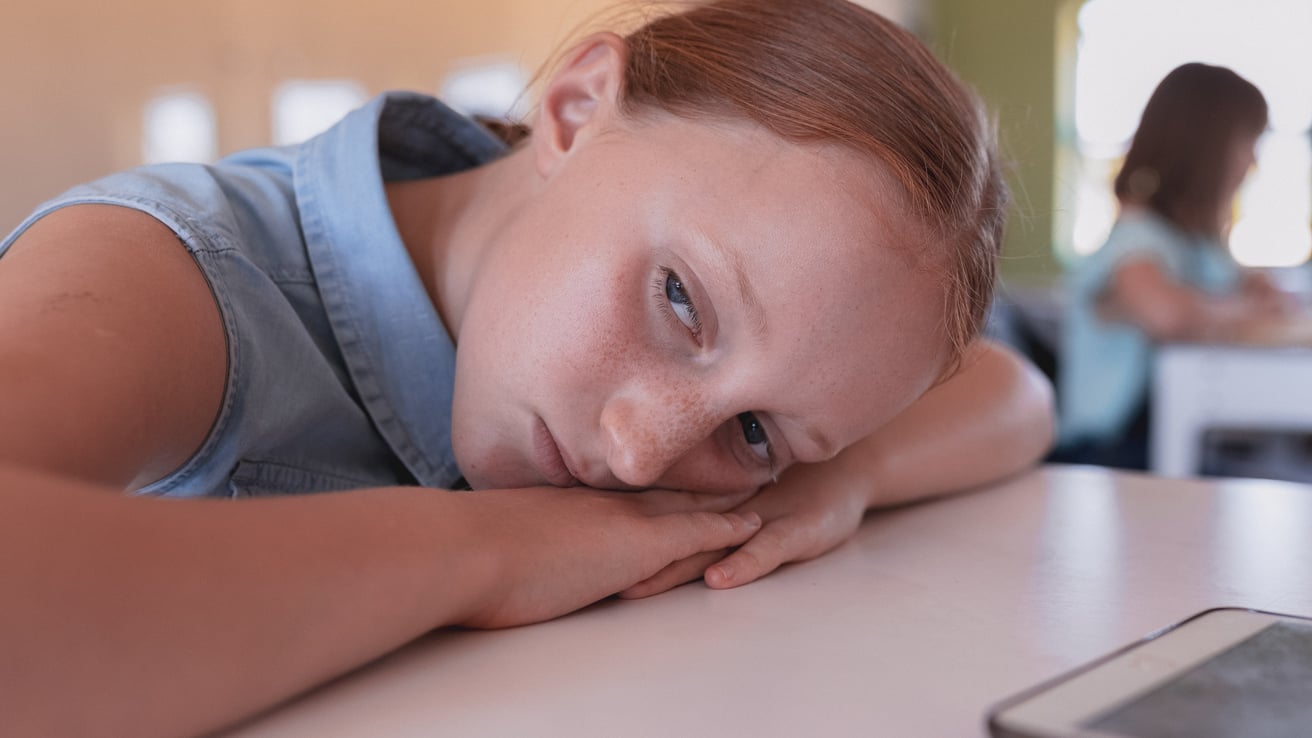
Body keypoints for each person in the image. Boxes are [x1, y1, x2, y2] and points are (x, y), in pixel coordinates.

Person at [0, 1, 1054, 735]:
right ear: (575, 109)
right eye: (681, 300)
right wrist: (486, 550)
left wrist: (839, 478)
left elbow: (1013, 391)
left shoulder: (761, 395)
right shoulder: (165, 270)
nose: (642, 456)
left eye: (753, 433)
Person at [1055, 62, 1290, 470]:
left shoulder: (1196, 244)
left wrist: (1254, 287)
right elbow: (1165, 314)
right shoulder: (1138, 236)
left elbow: (1233, 286)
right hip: (1108, 452)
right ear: (1206, 147)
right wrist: (1248, 308)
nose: (1252, 162)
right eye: (1247, 143)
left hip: (1169, 441)